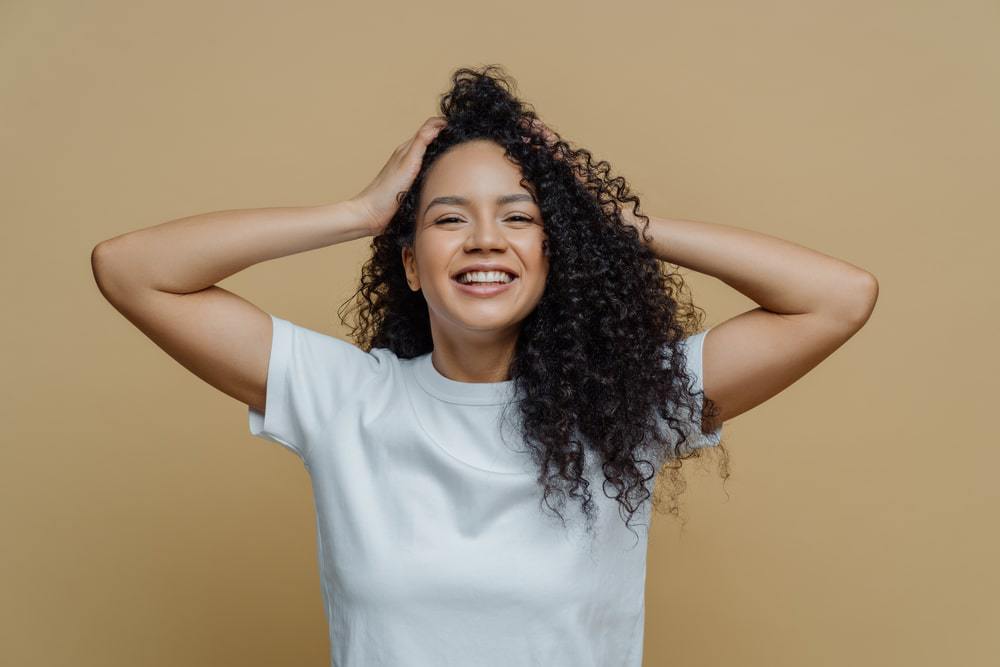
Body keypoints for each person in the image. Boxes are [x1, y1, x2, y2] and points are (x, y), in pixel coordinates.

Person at [91, 65, 878, 666]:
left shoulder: (623, 409)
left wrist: (611, 222)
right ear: (408, 263)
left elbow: (838, 297)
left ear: (551, 253)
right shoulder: (344, 398)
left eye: (518, 217)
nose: (483, 240)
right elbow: (132, 269)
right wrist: (356, 213)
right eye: (447, 218)